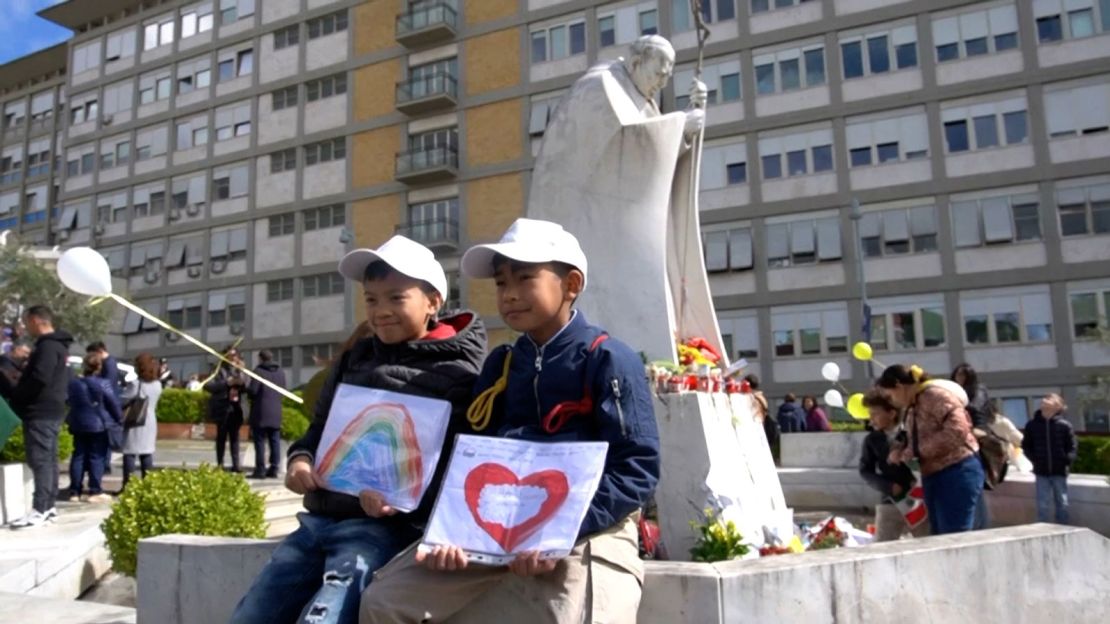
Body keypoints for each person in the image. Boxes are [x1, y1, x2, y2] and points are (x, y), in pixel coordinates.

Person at [360, 218, 661, 624]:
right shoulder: (501, 365)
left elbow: (636, 468)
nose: (510, 295)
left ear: (570, 284)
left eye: (525, 279)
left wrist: (556, 531)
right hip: (496, 522)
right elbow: (467, 458)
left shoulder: (608, 359)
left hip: (590, 527)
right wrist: (451, 530)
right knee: (384, 601)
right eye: (502, 283)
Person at [231, 235, 486, 624]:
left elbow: (459, 470)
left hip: (377, 532)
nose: (381, 310)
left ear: (433, 302)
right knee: (252, 614)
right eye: (371, 299)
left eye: (396, 298)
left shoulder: (463, 376)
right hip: (317, 521)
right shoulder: (353, 359)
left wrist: (401, 501)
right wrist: (301, 460)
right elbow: (319, 431)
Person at [526, 35, 723, 365]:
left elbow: (649, 156)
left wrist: (685, 130)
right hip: (592, 219)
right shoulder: (599, 87)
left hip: (621, 217)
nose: (661, 82)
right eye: (659, 73)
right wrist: (679, 124)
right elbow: (621, 148)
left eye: (667, 76)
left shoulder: (641, 99)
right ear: (636, 62)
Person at [879, 364, 984, 535]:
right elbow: (910, 436)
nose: (892, 400)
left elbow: (957, 430)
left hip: (957, 471)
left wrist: (915, 452)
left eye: (890, 395)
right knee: (938, 536)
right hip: (934, 474)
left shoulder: (934, 395)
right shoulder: (913, 405)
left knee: (953, 536)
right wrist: (899, 449)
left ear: (899, 386)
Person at [9, 306, 74, 529]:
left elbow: (39, 378)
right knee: (49, 459)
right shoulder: (59, 347)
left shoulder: (47, 348)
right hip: (53, 410)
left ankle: (40, 508)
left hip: (40, 411)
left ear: (37, 321)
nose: (26, 327)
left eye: (27, 322)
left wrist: (18, 395)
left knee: (41, 460)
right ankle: (49, 506)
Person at [859, 391, 926, 542]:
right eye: (870, 414)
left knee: (926, 541)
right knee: (882, 544)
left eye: (875, 414)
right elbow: (865, 471)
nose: (871, 419)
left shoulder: (910, 432)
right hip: (892, 500)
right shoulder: (872, 440)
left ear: (891, 413)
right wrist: (887, 486)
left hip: (920, 499)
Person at [64, 353, 122, 503]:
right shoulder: (103, 383)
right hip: (98, 424)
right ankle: (94, 490)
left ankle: (74, 491)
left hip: (78, 423)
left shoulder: (74, 383)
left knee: (78, 456)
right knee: (97, 457)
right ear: (99, 367)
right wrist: (119, 419)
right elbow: (113, 404)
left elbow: (68, 401)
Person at [1022, 394, 1077, 524]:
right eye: (1044, 399)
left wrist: (1067, 460)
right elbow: (1026, 445)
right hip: (1041, 471)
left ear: (1058, 406)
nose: (1044, 400)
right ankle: (1043, 529)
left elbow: (1072, 446)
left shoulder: (1064, 425)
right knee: (1042, 504)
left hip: (1059, 471)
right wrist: (1035, 459)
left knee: (1062, 503)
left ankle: (1063, 529)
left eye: (1049, 399)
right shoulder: (1032, 425)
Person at [951, 362, 992, 529]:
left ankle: (981, 525)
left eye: (963, 375)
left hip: (977, 435)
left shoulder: (978, 391)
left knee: (975, 484)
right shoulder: (953, 392)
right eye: (957, 375)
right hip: (962, 437)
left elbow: (975, 407)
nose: (959, 378)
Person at [120, 353, 162, 489]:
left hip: (135, 420)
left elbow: (124, 398)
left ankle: (128, 485)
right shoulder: (158, 385)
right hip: (150, 420)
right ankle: (148, 485)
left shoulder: (136, 384)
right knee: (147, 452)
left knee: (129, 452)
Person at [205, 348, 248, 472]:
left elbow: (249, 386)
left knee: (235, 438)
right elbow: (208, 385)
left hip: (236, 408)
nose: (233, 358)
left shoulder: (240, 369)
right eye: (231, 356)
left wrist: (242, 377)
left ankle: (236, 464)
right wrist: (226, 383)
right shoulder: (218, 369)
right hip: (222, 408)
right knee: (221, 438)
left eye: (235, 355)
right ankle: (220, 464)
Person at [246, 350, 287, 480]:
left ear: (260, 358)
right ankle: (274, 468)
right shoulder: (280, 372)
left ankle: (260, 469)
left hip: (261, 411)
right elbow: (283, 390)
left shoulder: (258, 371)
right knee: (275, 441)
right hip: (276, 410)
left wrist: (246, 389)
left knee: (260, 441)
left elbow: (253, 391)